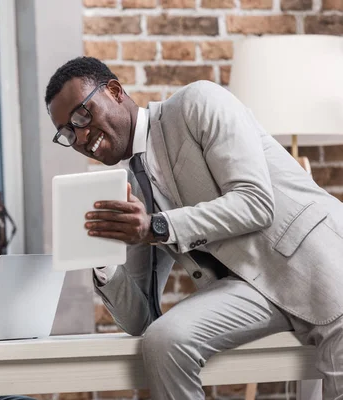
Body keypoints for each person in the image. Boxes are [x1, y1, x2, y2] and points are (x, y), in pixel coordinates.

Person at [45, 57, 343, 400]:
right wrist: (102, 258)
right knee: (163, 340)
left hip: (320, 266)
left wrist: (155, 226)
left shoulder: (197, 102)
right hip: (249, 288)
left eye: (82, 115)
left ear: (114, 91)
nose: (80, 135)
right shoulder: (131, 189)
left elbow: (255, 203)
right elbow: (141, 319)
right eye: (67, 132)